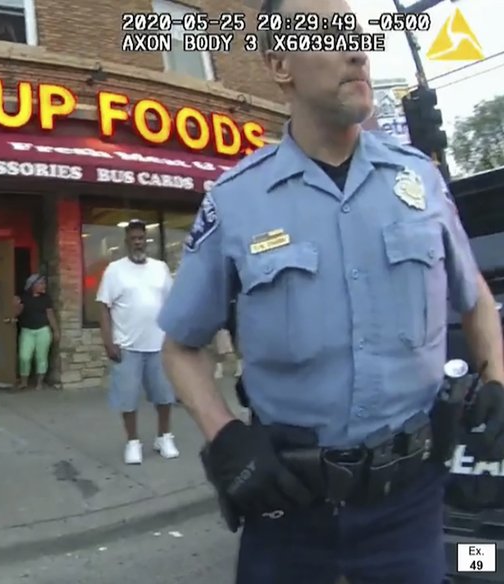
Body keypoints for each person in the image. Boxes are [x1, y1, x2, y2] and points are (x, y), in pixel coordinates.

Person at [158, 0, 504, 582]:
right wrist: (225, 436)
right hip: (289, 512)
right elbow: (180, 346)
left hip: (411, 507)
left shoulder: (417, 177)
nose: (358, 49)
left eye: (360, 32)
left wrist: (496, 377)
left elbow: (474, 297)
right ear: (279, 63)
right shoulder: (236, 200)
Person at [96, 219, 179, 464]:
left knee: (164, 396)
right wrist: (107, 341)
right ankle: (133, 442)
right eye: (133, 239)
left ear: (146, 240)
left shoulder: (160, 268)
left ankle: (164, 436)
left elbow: (172, 304)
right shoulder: (114, 270)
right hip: (127, 347)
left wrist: (174, 339)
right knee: (128, 398)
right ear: (126, 242)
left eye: (141, 238)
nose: (138, 243)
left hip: (159, 345)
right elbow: (103, 307)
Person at [13, 274, 59, 391]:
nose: (43, 286)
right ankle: (24, 382)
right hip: (27, 331)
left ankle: (39, 383)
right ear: (32, 285)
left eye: (44, 283)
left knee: (41, 357)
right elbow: (16, 314)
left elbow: (50, 315)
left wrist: (55, 330)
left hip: (43, 330)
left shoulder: (46, 299)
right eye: (41, 283)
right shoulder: (23, 298)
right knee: (24, 357)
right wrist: (16, 305)